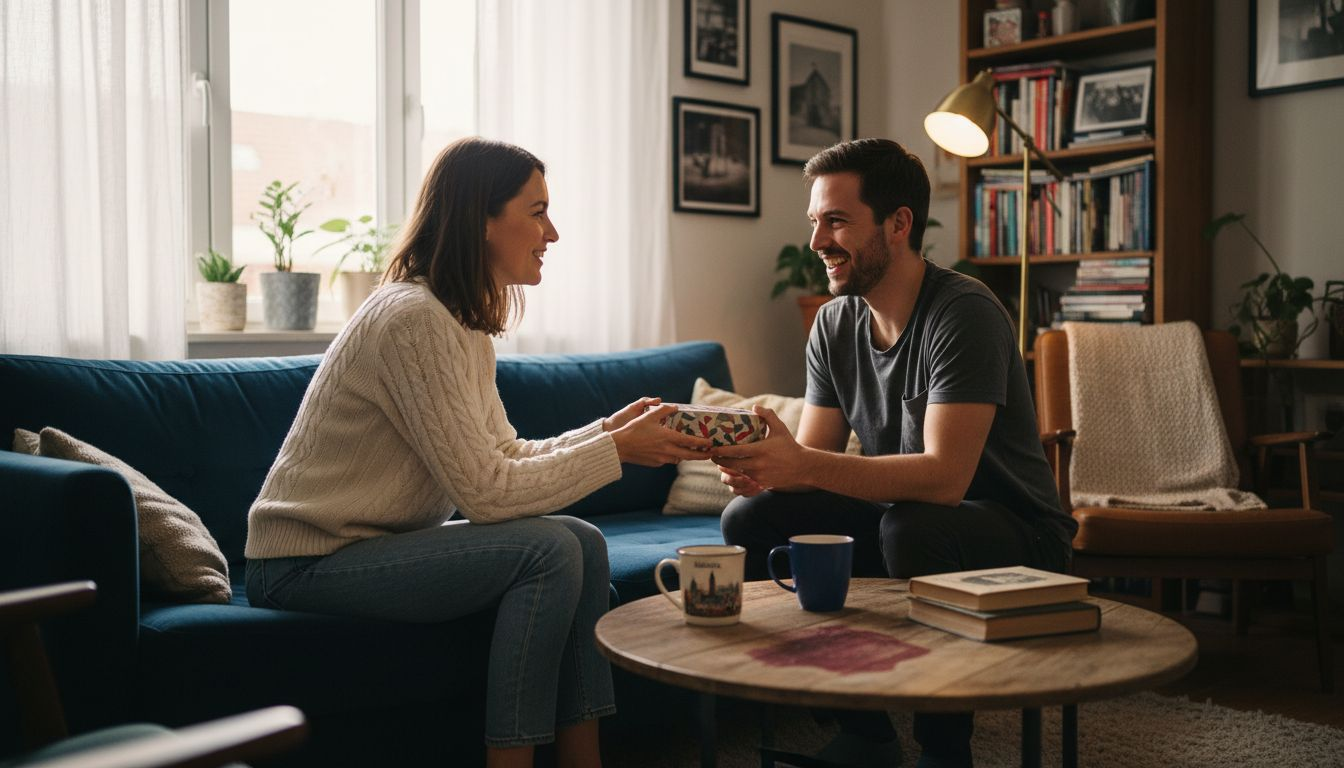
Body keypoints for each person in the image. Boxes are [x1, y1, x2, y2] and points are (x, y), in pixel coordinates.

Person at [244, 137, 711, 768]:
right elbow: (487, 495)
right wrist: (616, 451)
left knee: (585, 540)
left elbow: (502, 452)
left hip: (368, 548)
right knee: (548, 549)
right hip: (305, 563)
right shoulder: (411, 318)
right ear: (482, 221)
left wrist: (608, 432)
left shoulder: (460, 322)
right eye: (537, 211)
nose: (553, 232)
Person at [712, 138, 1077, 768]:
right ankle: (866, 731)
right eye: (815, 222)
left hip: (1018, 531)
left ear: (899, 224)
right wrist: (767, 464)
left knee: (913, 524)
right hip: (905, 514)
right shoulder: (833, 323)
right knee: (753, 519)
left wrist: (803, 465)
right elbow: (816, 459)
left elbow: (944, 479)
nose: (817, 241)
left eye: (837, 220)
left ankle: (944, 749)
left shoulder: (963, 312)